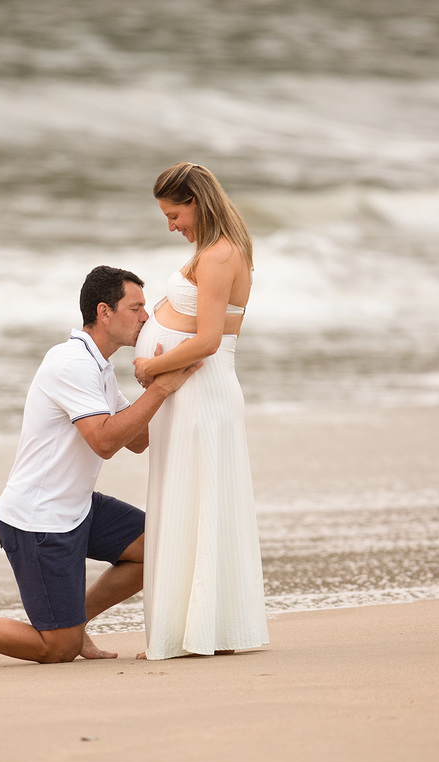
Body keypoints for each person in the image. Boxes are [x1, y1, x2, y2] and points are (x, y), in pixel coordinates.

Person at [0, 266, 201, 669]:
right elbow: (104, 442)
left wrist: (157, 383)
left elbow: (136, 440)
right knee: (57, 649)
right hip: (38, 520)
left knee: (155, 548)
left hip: (77, 505)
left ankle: (72, 618)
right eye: (135, 308)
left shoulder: (98, 366)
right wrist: (158, 390)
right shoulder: (71, 363)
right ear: (105, 312)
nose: (145, 318)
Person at [132, 162, 269, 660]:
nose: (171, 226)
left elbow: (208, 340)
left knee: (199, 500)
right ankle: (198, 626)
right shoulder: (213, 250)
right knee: (188, 498)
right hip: (191, 390)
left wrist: (152, 366)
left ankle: (201, 628)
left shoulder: (218, 256)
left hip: (202, 389)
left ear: (196, 201)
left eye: (174, 214)